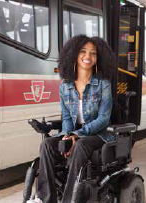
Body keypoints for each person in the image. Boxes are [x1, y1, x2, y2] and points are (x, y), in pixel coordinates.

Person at [28, 35, 117, 203]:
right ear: (74, 55)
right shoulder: (65, 86)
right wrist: (67, 135)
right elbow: (67, 117)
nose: (88, 57)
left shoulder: (103, 84)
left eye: (93, 53)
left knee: (81, 146)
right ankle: (44, 198)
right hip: (75, 133)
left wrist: (78, 134)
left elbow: (103, 119)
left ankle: (70, 200)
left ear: (99, 58)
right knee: (47, 144)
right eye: (83, 52)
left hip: (98, 135)